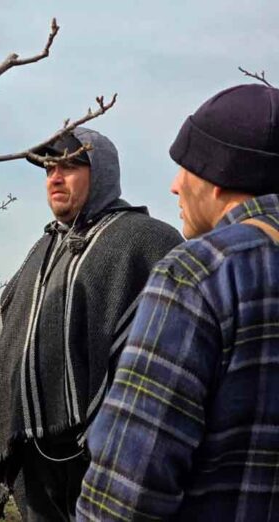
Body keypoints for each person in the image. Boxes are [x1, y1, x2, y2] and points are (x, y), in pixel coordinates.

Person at [77, 83, 279, 521]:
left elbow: (128, 485)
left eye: (185, 166)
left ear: (219, 174)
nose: (174, 186)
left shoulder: (198, 272)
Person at [0, 127, 182, 520]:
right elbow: (6, 338)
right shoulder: (42, 251)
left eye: (69, 166)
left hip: (107, 456)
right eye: (49, 169)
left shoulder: (145, 241)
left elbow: (169, 350)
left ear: (101, 173)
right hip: (34, 458)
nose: (55, 177)